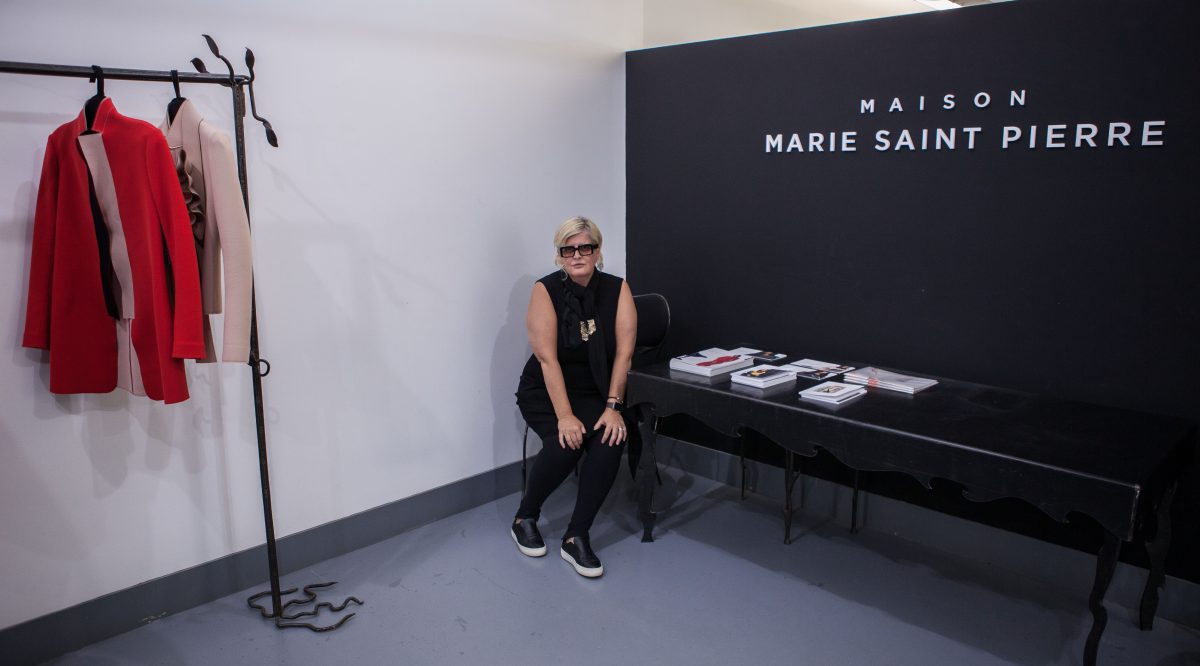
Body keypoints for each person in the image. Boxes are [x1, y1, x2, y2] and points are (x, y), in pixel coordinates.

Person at [512, 216, 636, 578]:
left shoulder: (617, 289)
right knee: (567, 442)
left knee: (612, 438)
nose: (577, 255)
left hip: (595, 390)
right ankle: (525, 517)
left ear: (597, 250)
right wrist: (565, 416)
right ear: (560, 254)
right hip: (546, 390)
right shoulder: (545, 290)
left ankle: (576, 535)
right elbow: (547, 360)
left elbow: (624, 355)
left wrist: (613, 406)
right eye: (568, 249)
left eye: (585, 247)